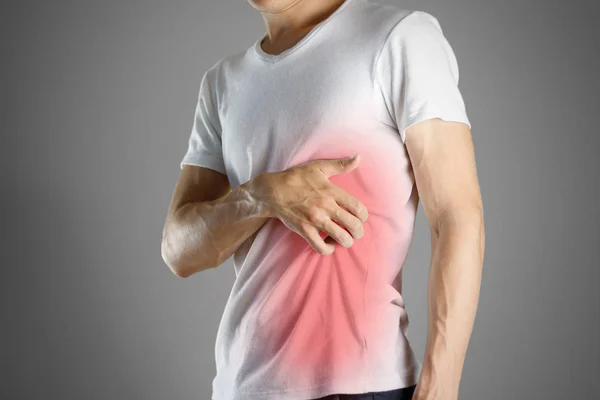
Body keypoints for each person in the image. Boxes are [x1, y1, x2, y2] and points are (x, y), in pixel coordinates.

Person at [161, 0, 485, 399]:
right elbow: (179, 249)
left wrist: (441, 385)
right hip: (238, 388)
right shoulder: (223, 83)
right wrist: (262, 195)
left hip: (361, 385)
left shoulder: (399, 37)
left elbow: (456, 216)